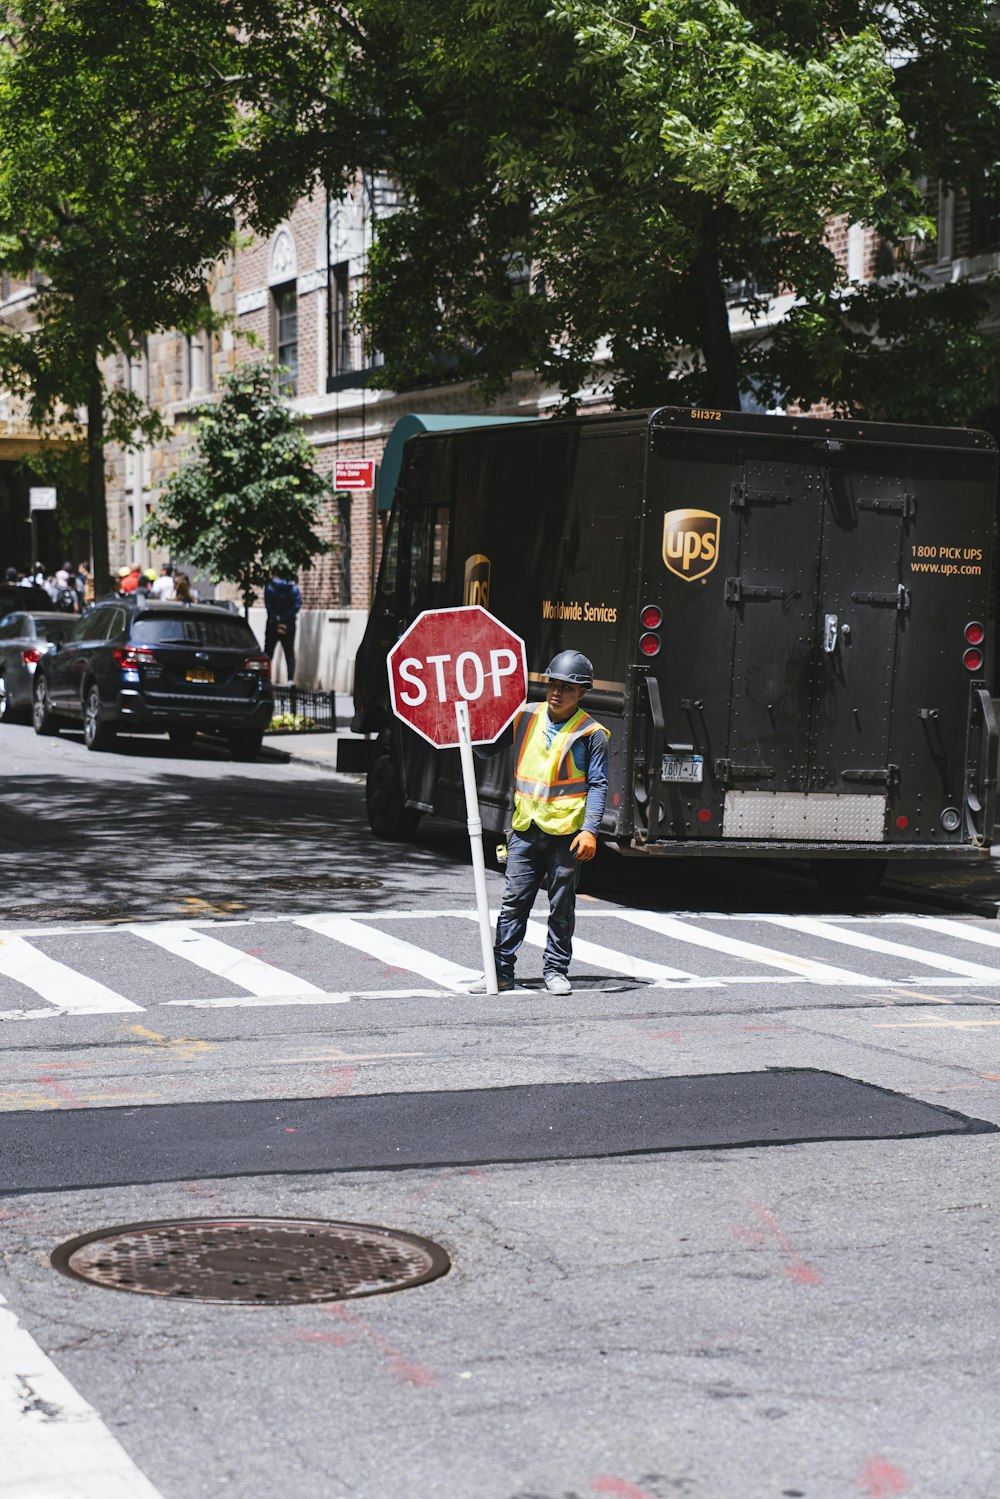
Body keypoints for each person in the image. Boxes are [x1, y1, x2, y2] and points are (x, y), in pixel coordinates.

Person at [471, 650, 609, 995]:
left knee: (562, 905)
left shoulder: (592, 733)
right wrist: (468, 723)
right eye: (553, 685)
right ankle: (500, 972)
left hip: (566, 835)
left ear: (582, 693)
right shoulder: (525, 716)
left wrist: (590, 830)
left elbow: (598, 784)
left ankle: (556, 970)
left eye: (566, 687)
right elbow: (487, 748)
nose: (556, 692)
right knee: (513, 902)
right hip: (524, 828)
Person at [264, 566, 301, 684]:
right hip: (289, 625)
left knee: (268, 653)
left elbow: (268, 605)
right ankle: (290, 680)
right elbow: (297, 604)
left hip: (272, 624)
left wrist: (277, 619)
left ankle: (266, 678)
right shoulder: (293, 587)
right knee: (289, 653)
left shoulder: (270, 587)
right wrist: (285, 619)